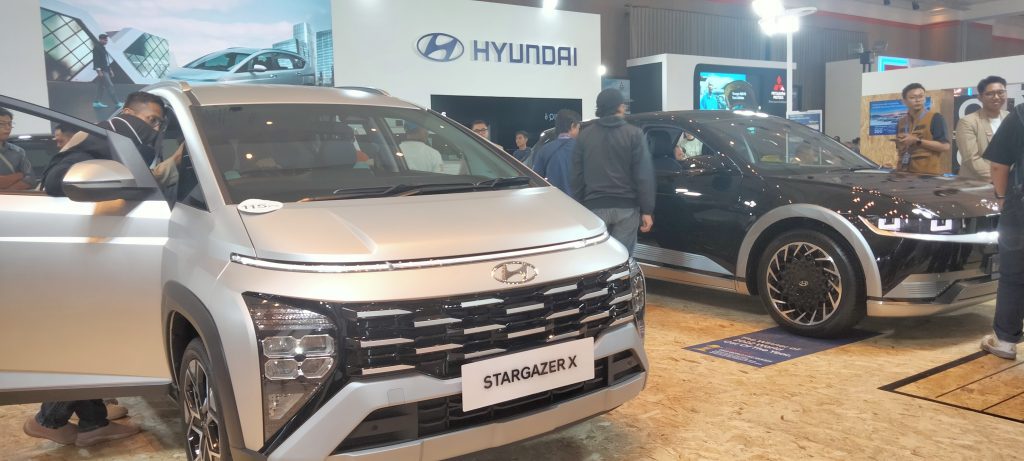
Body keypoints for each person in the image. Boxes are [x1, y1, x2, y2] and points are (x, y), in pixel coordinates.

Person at [570, 88, 655, 255]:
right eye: (623, 105)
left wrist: (579, 208)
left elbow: (576, 176)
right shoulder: (634, 134)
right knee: (622, 258)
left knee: (597, 258)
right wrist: (647, 211)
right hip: (626, 209)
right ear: (619, 107)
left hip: (594, 208)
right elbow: (643, 175)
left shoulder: (584, 136)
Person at [42, 91, 167, 196]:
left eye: (159, 124)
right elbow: (55, 183)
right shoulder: (94, 137)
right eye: (152, 120)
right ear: (127, 114)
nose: (156, 129)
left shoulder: (138, 149)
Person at [979, 102, 1024, 360]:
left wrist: (1002, 198)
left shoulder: (1020, 114)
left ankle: (1005, 341)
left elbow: (999, 165)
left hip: (1020, 208)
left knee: (1014, 273)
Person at [956, 75, 1008, 181]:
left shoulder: (1010, 117)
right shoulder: (968, 122)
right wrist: (1000, 179)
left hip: (1008, 182)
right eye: (990, 94)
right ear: (980, 97)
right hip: (978, 184)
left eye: (1000, 92)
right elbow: (971, 159)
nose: (996, 97)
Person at [895, 83, 950, 175]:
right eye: (912, 97)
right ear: (904, 101)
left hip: (926, 175)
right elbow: (899, 149)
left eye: (921, 96)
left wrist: (917, 141)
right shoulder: (901, 122)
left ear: (924, 98)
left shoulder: (935, 118)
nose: (918, 100)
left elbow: (945, 146)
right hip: (903, 173)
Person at [532, 109, 580, 195]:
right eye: (578, 127)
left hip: (553, 200)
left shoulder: (544, 150)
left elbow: (535, 180)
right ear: (573, 126)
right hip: (577, 201)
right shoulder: (581, 148)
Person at [0, 108, 35, 190]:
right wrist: (19, 175)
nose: (8, 128)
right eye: (1, 124)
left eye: (9, 124)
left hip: (14, 197)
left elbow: (31, 180)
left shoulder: (18, 151)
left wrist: (7, 193)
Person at [92, 34, 121, 109]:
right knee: (110, 86)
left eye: (107, 39)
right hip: (102, 71)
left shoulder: (102, 48)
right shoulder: (97, 48)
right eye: (105, 39)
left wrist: (110, 69)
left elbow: (105, 60)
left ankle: (96, 103)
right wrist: (99, 71)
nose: (106, 41)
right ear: (100, 39)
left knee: (100, 87)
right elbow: (96, 60)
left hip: (105, 69)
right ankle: (117, 103)